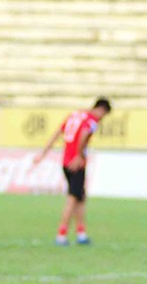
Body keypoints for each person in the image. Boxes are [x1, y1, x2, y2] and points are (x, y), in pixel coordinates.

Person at [33, 98, 112, 245]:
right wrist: (79, 155)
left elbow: (57, 132)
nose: (102, 118)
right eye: (104, 115)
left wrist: (43, 154)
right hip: (76, 164)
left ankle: (81, 233)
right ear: (101, 109)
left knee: (80, 197)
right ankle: (61, 234)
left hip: (65, 161)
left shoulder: (75, 115)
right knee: (73, 198)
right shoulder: (91, 120)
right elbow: (84, 134)